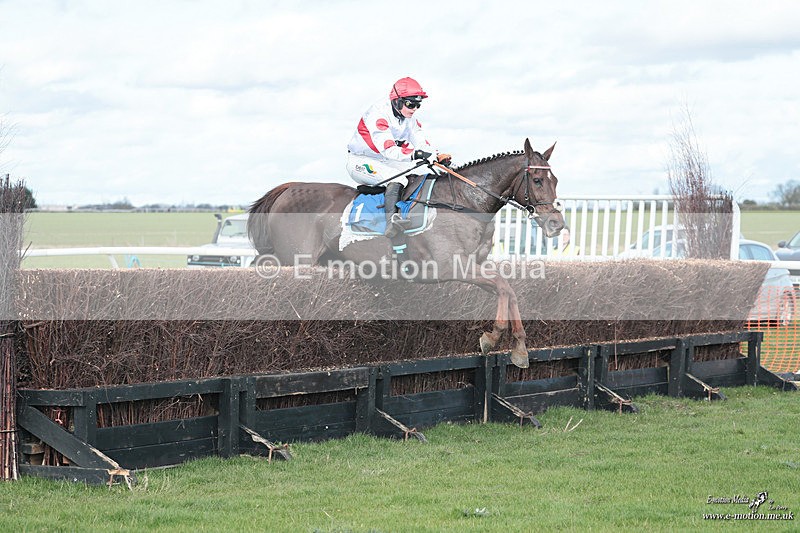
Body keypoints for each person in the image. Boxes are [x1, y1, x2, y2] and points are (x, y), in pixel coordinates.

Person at [346, 77, 451, 237]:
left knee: (414, 176)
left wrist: (436, 156)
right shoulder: (378, 115)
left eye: (418, 104)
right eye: (410, 104)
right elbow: (389, 150)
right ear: (397, 101)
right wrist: (417, 154)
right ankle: (391, 224)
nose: (414, 108)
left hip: (385, 160)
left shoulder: (409, 118)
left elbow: (420, 140)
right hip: (361, 161)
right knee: (399, 179)